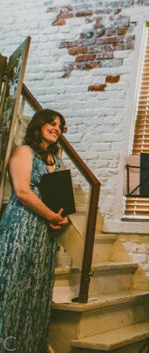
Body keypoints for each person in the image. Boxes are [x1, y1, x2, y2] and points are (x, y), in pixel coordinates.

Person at [0, 109, 69, 352]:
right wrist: (51, 215)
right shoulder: (24, 152)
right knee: (15, 287)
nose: (57, 128)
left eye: (60, 125)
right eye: (52, 123)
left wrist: (59, 217)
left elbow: (57, 195)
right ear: (38, 125)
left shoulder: (56, 159)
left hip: (44, 233)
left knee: (37, 290)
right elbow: (23, 193)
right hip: (21, 226)